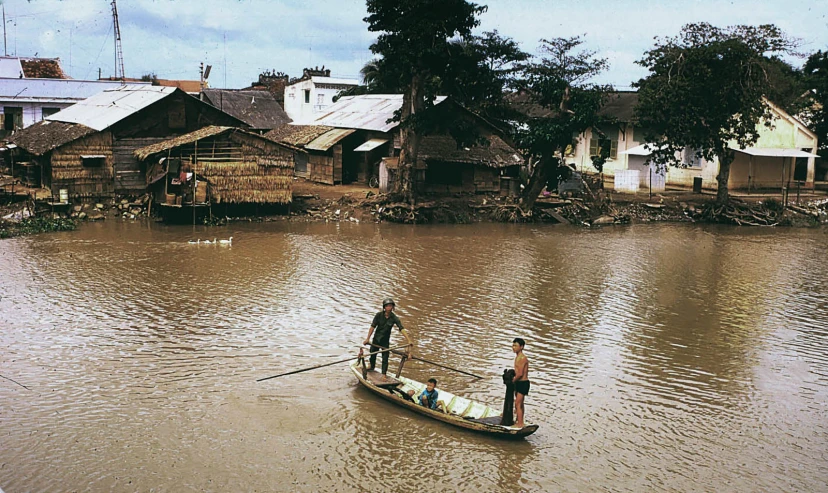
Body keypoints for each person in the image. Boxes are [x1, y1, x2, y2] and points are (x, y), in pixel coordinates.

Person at [363, 298, 411, 375]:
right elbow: (372, 327)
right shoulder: (378, 315)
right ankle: (371, 367)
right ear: (384, 307)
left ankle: (384, 374)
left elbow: (401, 328)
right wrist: (367, 339)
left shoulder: (394, 318)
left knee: (385, 358)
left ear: (393, 307)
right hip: (376, 339)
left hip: (385, 341)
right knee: (372, 354)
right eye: (387, 306)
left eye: (390, 306)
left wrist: (408, 340)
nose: (389, 308)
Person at [512, 337, 530, 428]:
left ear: (521, 347)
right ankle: (519, 420)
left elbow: (520, 374)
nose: (513, 347)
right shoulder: (517, 357)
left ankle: (520, 424)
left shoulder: (522, 358)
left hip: (522, 383)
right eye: (513, 345)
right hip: (519, 382)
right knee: (520, 403)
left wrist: (513, 381)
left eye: (516, 346)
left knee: (518, 404)